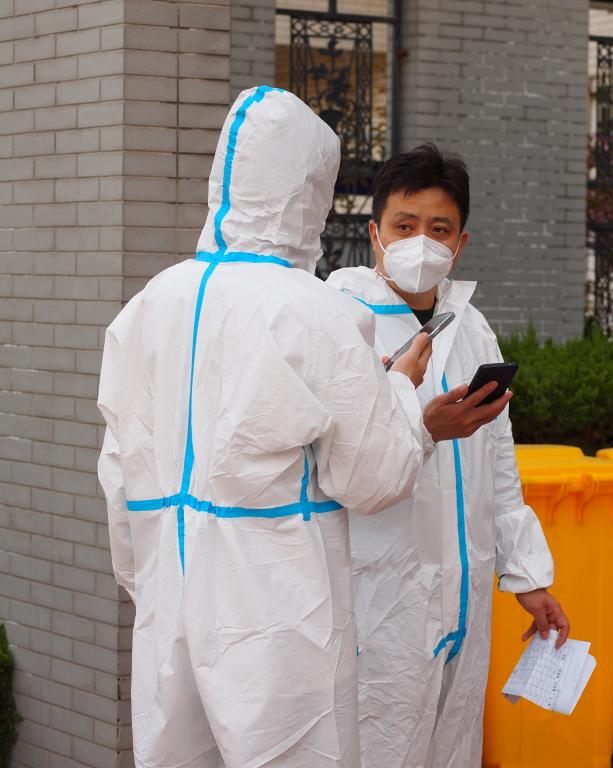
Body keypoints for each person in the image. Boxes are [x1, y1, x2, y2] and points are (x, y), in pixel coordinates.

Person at [97, 88, 439, 767]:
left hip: (169, 598)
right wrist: (399, 389)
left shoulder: (149, 304)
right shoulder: (314, 311)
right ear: (309, 191)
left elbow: (118, 472)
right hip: (280, 612)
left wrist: (152, 582)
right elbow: (373, 477)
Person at [326, 144, 569, 768]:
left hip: (464, 598)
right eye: (405, 225)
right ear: (374, 234)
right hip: (380, 602)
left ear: (461, 243)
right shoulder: (339, 324)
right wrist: (422, 428)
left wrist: (527, 577)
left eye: (439, 229)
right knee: (378, 749)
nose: (421, 243)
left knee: (454, 747)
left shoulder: (472, 329)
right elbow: (339, 467)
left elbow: (499, 464)